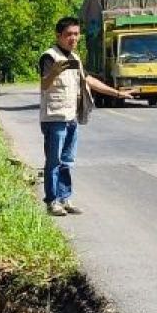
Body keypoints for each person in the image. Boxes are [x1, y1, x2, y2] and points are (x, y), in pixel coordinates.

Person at [39, 16, 135, 216]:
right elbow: (44, 85)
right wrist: (54, 73)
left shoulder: (74, 58)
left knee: (67, 161)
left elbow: (88, 80)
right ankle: (52, 202)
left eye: (76, 34)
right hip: (55, 118)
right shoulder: (50, 57)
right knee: (53, 162)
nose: (73, 38)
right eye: (68, 34)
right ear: (58, 35)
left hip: (71, 117)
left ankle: (65, 198)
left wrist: (117, 93)